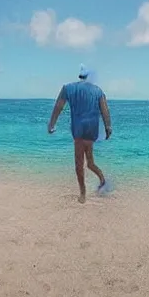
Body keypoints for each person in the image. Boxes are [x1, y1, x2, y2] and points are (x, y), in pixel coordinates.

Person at [47, 65, 112, 203]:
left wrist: (52, 124)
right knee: (90, 163)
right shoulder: (98, 91)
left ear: (79, 76)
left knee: (79, 164)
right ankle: (102, 180)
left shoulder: (68, 88)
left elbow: (58, 106)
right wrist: (108, 127)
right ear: (88, 76)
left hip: (78, 130)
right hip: (91, 130)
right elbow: (104, 110)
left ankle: (83, 193)